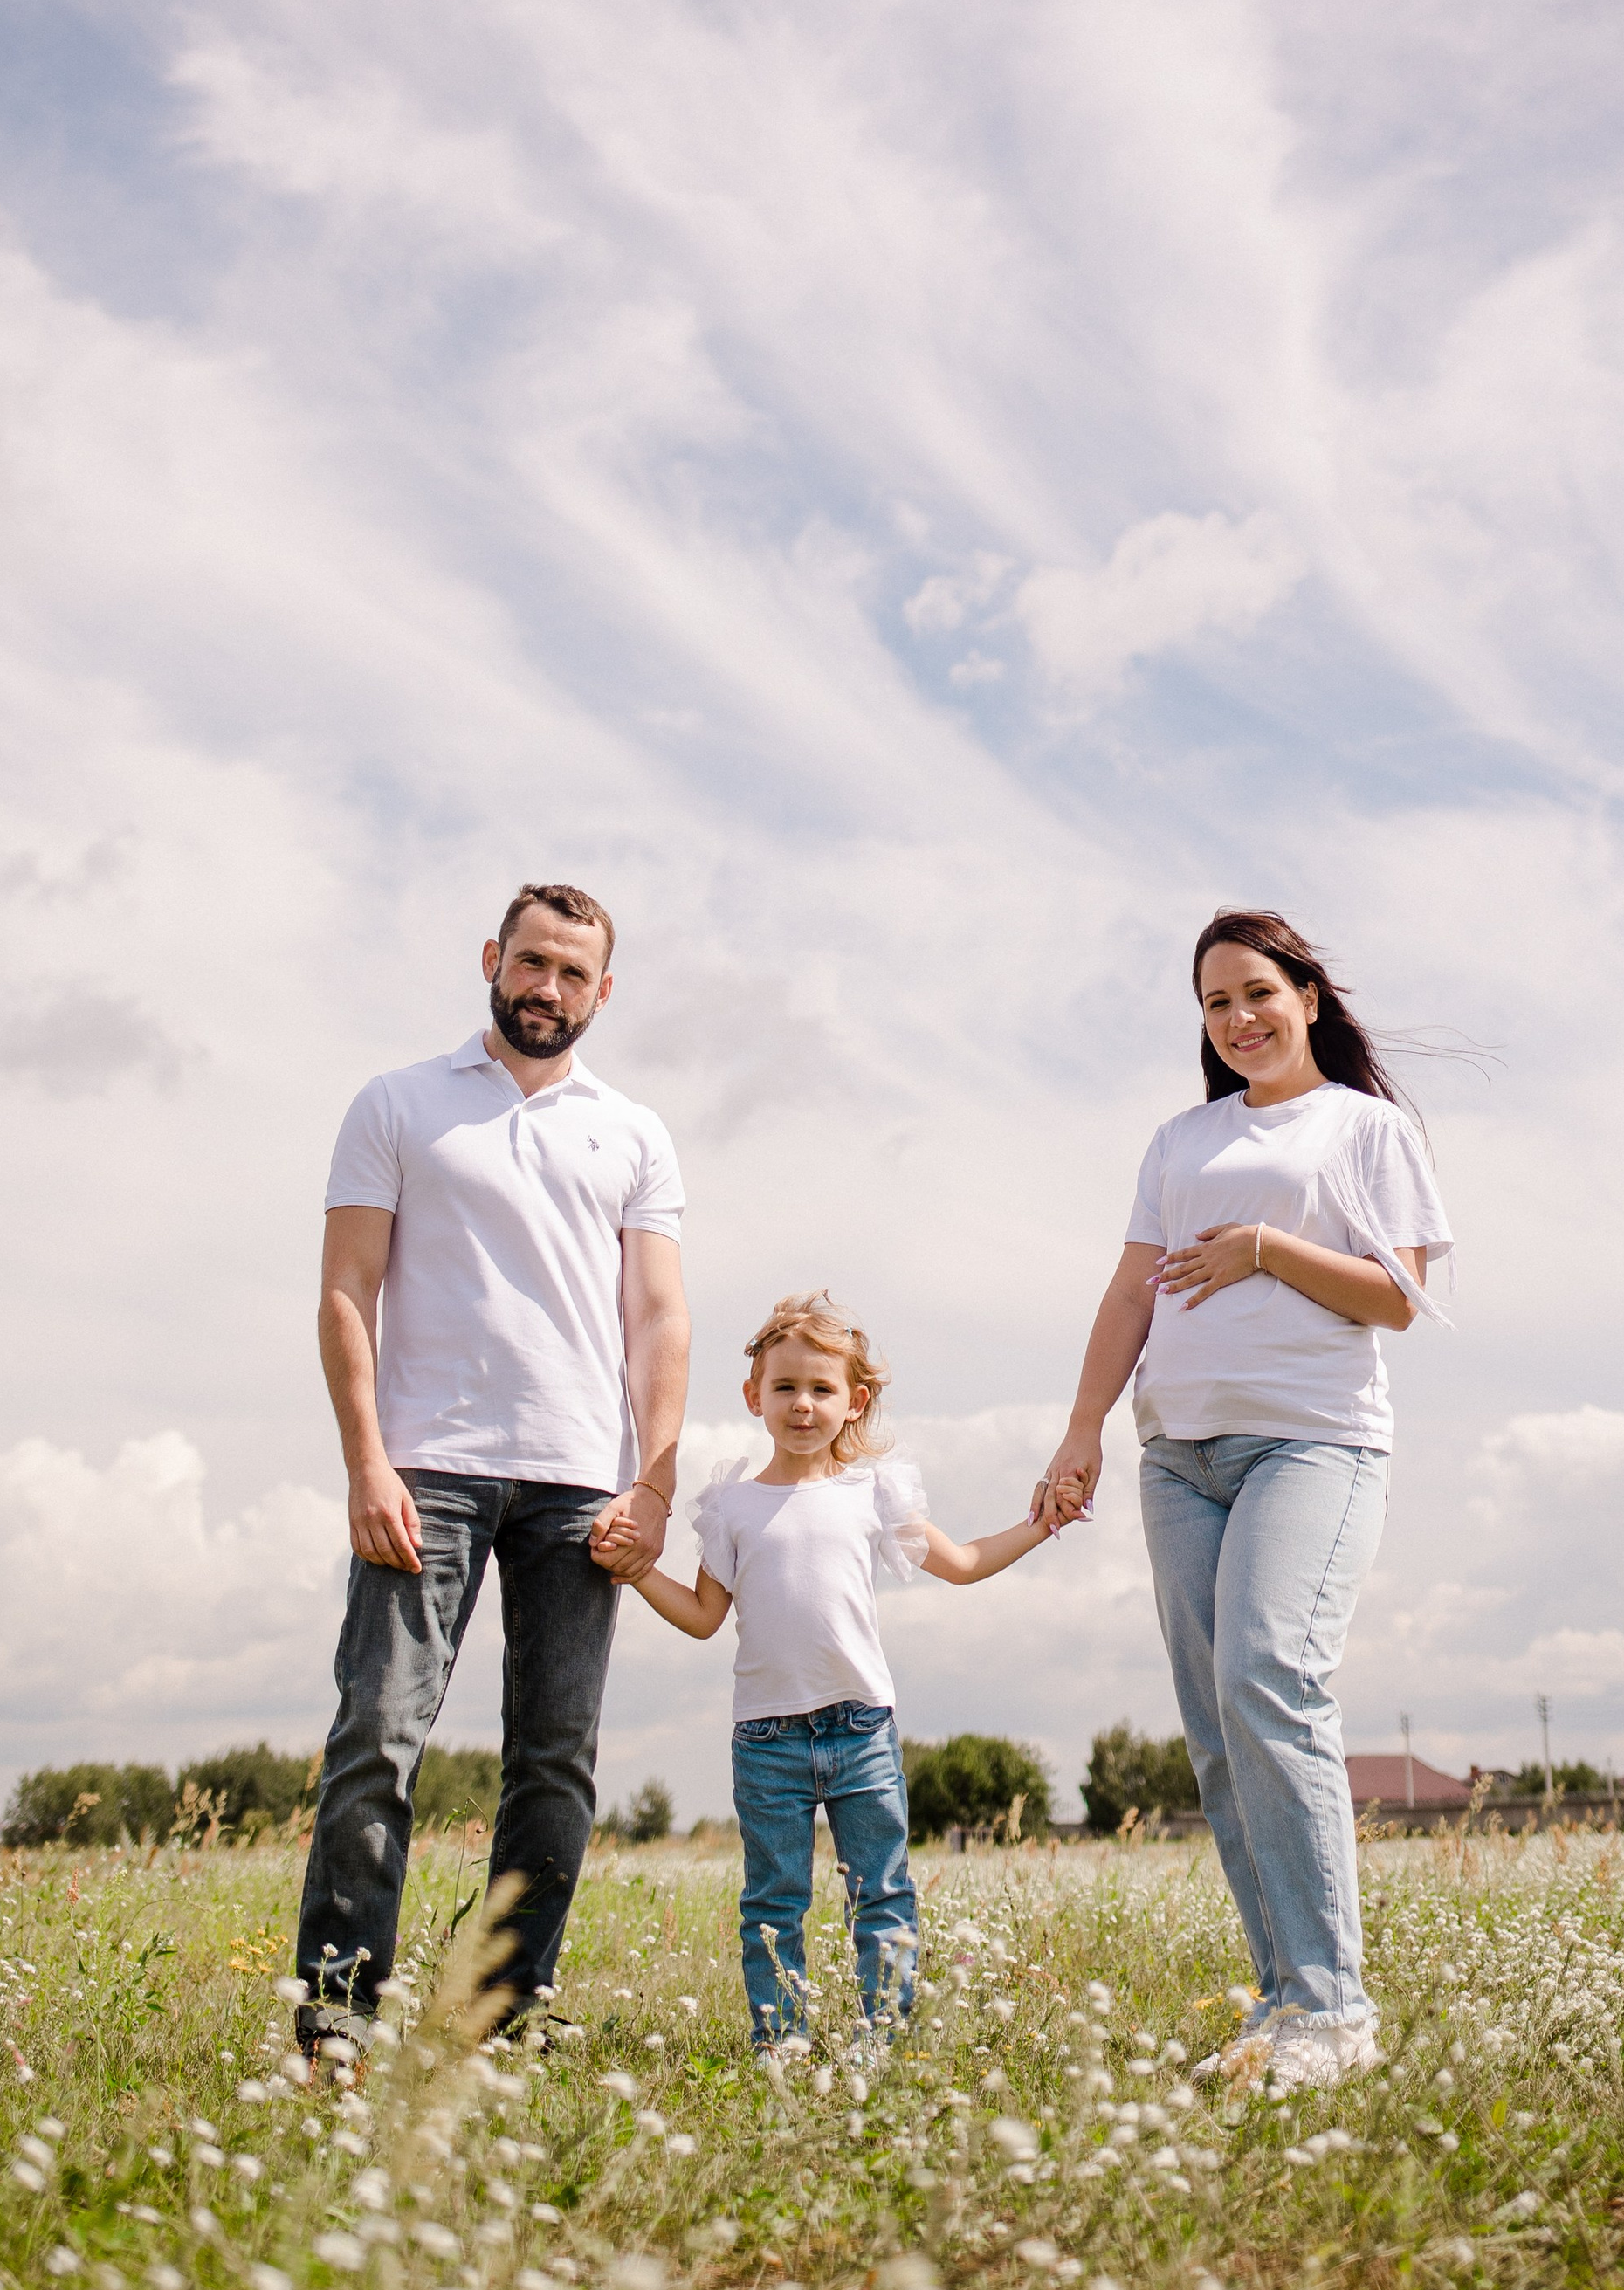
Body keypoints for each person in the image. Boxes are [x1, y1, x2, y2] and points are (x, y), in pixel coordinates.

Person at [1036, 911, 1451, 2094]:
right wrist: (1083, 1433)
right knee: (1221, 1734)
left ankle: (1334, 2010)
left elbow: (1397, 1299)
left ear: (1307, 996)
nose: (1240, 1019)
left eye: (1258, 992)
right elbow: (1128, 1295)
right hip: (1181, 1458)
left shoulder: (1365, 1130)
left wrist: (1266, 1247)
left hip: (1310, 1446)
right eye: (1217, 1004)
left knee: (1271, 1675)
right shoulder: (1179, 1139)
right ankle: (1285, 2004)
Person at [293, 883, 690, 2063]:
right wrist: (367, 1460)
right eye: (531, 964)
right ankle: (338, 2011)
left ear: (602, 992)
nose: (547, 989)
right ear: (493, 960)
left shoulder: (634, 1131)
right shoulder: (399, 1103)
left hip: (582, 1482)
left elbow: (661, 1316)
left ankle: (508, 2013)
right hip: (428, 1470)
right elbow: (344, 1291)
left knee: (555, 1761)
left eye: (573, 974)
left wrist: (654, 1486)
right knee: (378, 1730)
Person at [618, 1291, 1063, 2049]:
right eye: (786, 1386)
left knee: (881, 1890)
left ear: (854, 1403)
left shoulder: (874, 1493)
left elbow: (961, 1564)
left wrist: (1040, 1523)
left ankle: (881, 2035)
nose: (802, 1404)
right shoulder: (730, 1506)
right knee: (772, 1900)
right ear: (754, 1394)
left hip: (861, 1728)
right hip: (765, 1739)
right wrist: (635, 1571)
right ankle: (781, 2042)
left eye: (822, 1389)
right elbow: (702, 1616)